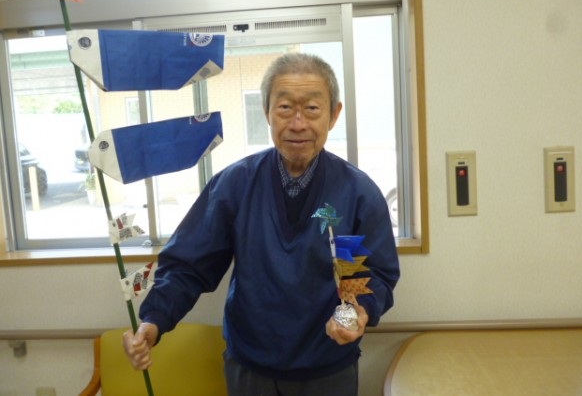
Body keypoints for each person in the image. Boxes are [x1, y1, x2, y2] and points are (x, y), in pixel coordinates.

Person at [123, 52, 400, 396]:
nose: (297, 123)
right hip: (249, 367)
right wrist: (153, 321)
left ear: (333, 115)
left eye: (312, 108)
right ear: (267, 112)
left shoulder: (355, 192)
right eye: (284, 108)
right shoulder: (235, 185)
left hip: (328, 366)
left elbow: (368, 273)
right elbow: (189, 266)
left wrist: (357, 312)